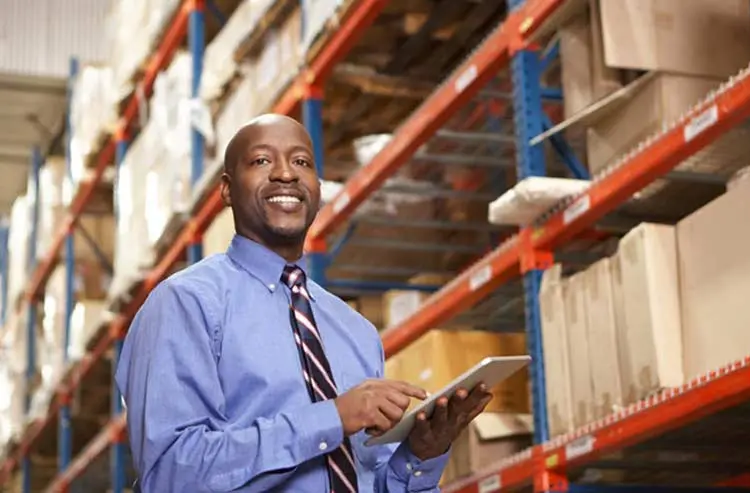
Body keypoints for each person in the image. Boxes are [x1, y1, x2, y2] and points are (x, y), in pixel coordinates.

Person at [115, 114, 493, 492]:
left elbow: (368, 479)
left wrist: (420, 455)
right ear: (227, 190)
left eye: (301, 162)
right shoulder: (186, 303)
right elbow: (169, 474)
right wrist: (332, 418)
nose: (286, 174)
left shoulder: (354, 330)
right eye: (262, 160)